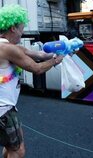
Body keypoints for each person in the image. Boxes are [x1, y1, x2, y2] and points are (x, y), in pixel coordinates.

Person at [0, 5, 63, 158]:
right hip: (3, 109)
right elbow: (37, 68)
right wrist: (56, 61)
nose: (22, 33)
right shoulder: (7, 48)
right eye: (21, 28)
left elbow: (38, 54)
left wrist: (62, 50)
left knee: (11, 146)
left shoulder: (9, 46)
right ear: (13, 28)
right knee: (18, 150)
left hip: (6, 107)